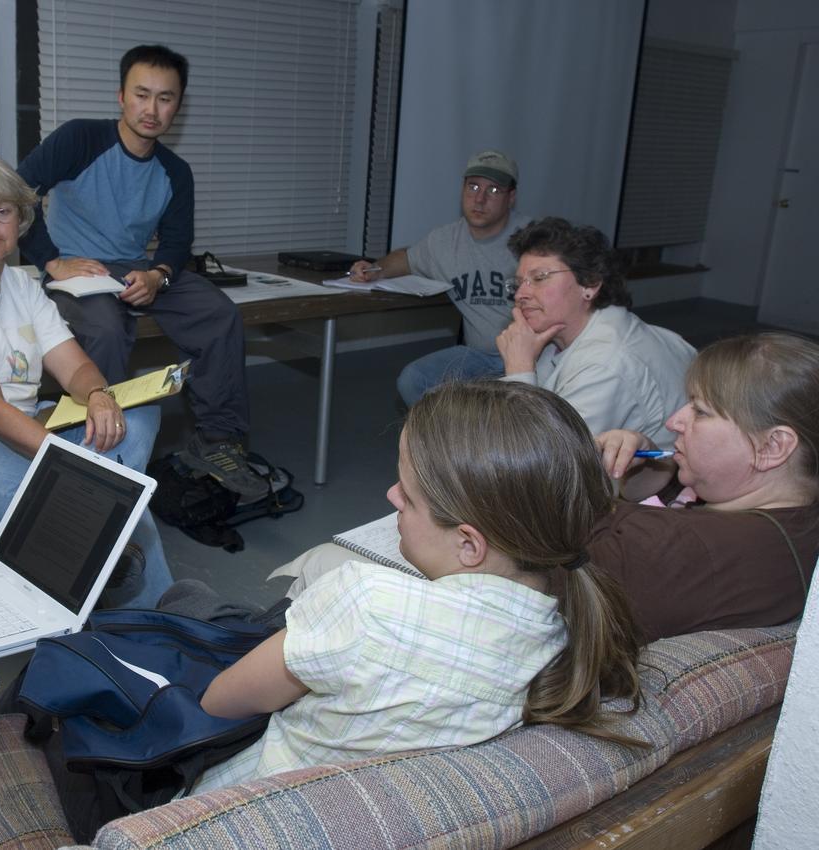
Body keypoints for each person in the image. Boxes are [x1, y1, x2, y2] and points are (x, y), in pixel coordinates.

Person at [191, 381, 644, 794]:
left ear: (469, 543)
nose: (391, 495)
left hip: (241, 799)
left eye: (407, 495)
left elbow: (219, 702)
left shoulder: (368, 602)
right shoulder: (567, 637)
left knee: (194, 601)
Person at [0, 153, 174, 608]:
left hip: (20, 430)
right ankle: (159, 627)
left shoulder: (22, 285)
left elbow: (75, 366)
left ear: (21, 219)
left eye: (3, 211)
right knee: (110, 499)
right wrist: (76, 466)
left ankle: (143, 621)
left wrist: (98, 395)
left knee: (136, 417)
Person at [16, 45, 266, 503]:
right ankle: (98, 455)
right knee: (108, 329)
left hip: (136, 269)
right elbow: (18, 193)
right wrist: (51, 260)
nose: (152, 109)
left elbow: (175, 242)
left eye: (165, 98)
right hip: (78, 270)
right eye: (142, 95)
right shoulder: (79, 140)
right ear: (121, 96)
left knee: (219, 314)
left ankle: (217, 441)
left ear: (178, 105)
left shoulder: (175, 172)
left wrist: (159, 276)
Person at [592, 332, 819, 642]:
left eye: (700, 411)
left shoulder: (668, 547)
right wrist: (651, 469)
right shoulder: (794, 520)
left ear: (773, 446)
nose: (673, 422)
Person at [349, 150, 531, 406]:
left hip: (532, 354)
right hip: (478, 356)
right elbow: (407, 259)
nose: (479, 199)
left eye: (493, 191)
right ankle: (445, 445)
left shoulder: (534, 239)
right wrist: (374, 270)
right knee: (414, 379)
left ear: (511, 197)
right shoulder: (444, 242)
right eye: (473, 187)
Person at [497, 217, 695, 449]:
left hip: (651, 482)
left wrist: (519, 369)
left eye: (539, 278)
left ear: (589, 284)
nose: (521, 294)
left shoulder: (605, 364)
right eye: (519, 283)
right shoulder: (561, 336)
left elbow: (540, 460)